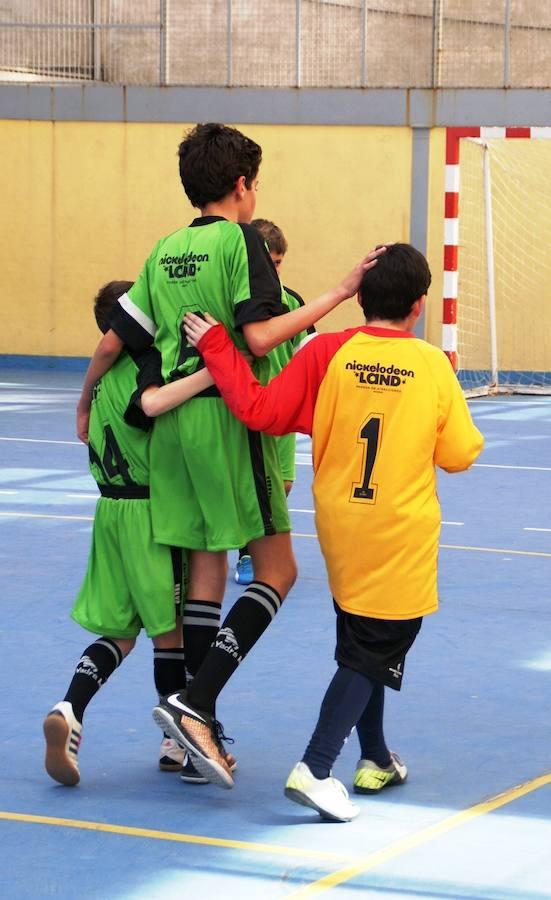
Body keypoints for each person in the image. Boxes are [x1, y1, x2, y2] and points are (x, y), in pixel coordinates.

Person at [74, 122, 385, 788]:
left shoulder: (162, 251)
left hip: (172, 433)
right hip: (225, 419)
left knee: (207, 567)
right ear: (243, 186)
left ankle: (191, 728)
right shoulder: (241, 241)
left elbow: (116, 338)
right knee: (277, 569)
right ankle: (196, 705)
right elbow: (259, 332)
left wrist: (83, 402)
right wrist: (339, 293)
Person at [182, 242, 484, 820]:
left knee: (362, 639)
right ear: (419, 306)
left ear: (359, 298)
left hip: (338, 525)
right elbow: (460, 455)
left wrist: (217, 347)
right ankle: (316, 767)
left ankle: (373, 757)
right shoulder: (431, 366)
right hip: (399, 529)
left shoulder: (328, 353)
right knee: (376, 646)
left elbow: (262, 411)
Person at [43, 281, 225, 786]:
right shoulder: (146, 371)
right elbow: (154, 408)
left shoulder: (100, 381)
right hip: (149, 514)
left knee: (121, 633)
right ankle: (182, 746)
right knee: (172, 636)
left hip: (109, 514)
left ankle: (70, 707)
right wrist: (217, 371)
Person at [234, 218, 315, 586]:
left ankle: (263, 547)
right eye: (270, 261)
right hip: (247, 409)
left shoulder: (293, 302)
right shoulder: (238, 300)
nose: (274, 269)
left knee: (281, 485)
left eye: (280, 262)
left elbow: (309, 349)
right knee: (250, 486)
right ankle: (246, 552)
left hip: (284, 410)